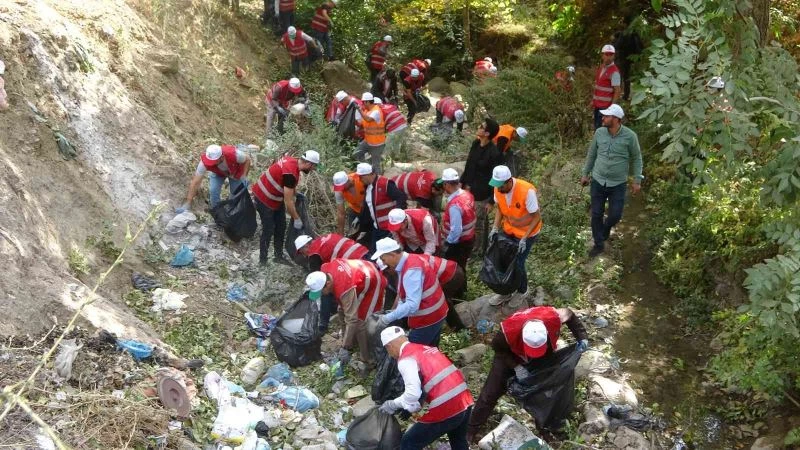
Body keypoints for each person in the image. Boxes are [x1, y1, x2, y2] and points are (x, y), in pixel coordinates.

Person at [466, 306, 588, 441]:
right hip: (509, 356)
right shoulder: (507, 332)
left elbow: (569, 314)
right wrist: (516, 367)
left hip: (543, 357)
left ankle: (544, 427)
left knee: (543, 391)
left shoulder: (552, 318)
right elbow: (498, 349)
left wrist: (582, 337)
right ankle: (471, 429)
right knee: (490, 392)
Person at [378, 326, 473, 450]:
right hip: (465, 399)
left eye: (387, 350)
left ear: (389, 346)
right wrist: (411, 406)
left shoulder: (406, 359)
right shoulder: (424, 348)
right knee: (458, 441)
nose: (390, 355)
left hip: (447, 406)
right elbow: (429, 381)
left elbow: (412, 394)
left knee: (409, 442)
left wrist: (392, 404)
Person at [580, 104, 642, 257]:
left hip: (618, 184)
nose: (603, 118)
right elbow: (592, 154)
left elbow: (636, 158)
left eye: (606, 116)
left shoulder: (630, 136)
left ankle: (606, 228)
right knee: (596, 214)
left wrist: (637, 180)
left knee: (615, 215)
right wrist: (585, 173)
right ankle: (598, 244)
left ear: (616, 119)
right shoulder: (599, 133)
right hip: (598, 180)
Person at [306, 261, 386, 365]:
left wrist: (344, 348)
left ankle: (367, 358)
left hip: (373, 281)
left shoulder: (344, 288)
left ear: (328, 284)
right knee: (341, 310)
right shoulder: (324, 268)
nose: (320, 294)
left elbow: (352, 319)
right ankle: (349, 341)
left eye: (321, 291)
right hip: (358, 278)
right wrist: (346, 341)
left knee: (360, 322)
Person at [372, 238, 448, 346]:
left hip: (428, 318)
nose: (384, 263)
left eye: (383, 259)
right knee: (430, 351)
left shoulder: (411, 270)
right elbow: (405, 295)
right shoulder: (409, 261)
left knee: (412, 352)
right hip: (435, 313)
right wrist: (394, 312)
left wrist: (386, 318)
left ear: (392, 255)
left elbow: (412, 305)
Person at [252, 150, 320, 265]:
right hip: (264, 198)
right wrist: (296, 218)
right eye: (314, 167)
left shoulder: (292, 161)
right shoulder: (291, 174)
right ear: (309, 164)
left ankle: (278, 256)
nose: (313, 169)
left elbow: (288, 187)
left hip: (274, 198)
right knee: (268, 229)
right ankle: (262, 260)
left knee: (281, 226)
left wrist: (295, 193)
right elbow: (288, 202)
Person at [489, 165, 541, 295]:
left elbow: (536, 217)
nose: (499, 189)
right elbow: (500, 209)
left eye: (501, 186)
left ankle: (522, 291)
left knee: (518, 262)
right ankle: (507, 290)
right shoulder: (498, 189)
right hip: (509, 229)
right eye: (497, 186)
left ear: (509, 181)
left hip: (526, 233)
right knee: (505, 259)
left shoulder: (526, 191)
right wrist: (495, 227)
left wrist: (524, 238)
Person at [461, 117, 502, 256]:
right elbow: (469, 164)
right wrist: (462, 183)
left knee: (479, 224)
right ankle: (470, 245)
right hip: (468, 190)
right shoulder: (475, 144)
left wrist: (492, 200)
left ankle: (479, 251)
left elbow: (495, 178)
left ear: (487, 133)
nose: (478, 127)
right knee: (466, 219)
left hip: (482, 194)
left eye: (481, 126)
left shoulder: (495, 153)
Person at [177, 144, 252, 212]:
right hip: (218, 173)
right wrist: (188, 202)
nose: (210, 163)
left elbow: (247, 160)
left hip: (235, 171)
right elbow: (195, 182)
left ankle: (231, 209)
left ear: (221, 157)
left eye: (213, 162)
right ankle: (217, 212)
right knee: (213, 191)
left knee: (236, 193)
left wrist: (244, 176)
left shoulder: (235, 154)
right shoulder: (204, 162)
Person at [357, 163, 408, 252]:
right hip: (377, 227)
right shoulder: (368, 187)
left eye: (361, 177)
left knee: (388, 253)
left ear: (370, 174)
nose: (360, 179)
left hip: (389, 228)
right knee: (374, 253)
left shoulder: (385, 183)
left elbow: (401, 197)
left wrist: (396, 217)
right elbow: (369, 207)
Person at [439, 168, 476, 270]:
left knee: (455, 270)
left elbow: (456, 230)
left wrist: (447, 244)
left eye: (443, 184)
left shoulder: (455, 205)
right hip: (469, 238)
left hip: (458, 244)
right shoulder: (467, 194)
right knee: (461, 266)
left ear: (447, 185)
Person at [425, 254, 467, 330]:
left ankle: (458, 327)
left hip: (451, 274)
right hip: (452, 269)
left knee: (443, 301)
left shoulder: (409, 267)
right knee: (442, 301)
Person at [294, 233, 369, 271]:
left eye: (301, 252)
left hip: (357, 262)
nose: (304, 255)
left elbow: (318, 276)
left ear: (306, 246)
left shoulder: (314, 253)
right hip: (363, 251)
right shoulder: (325, 237)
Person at [612, 16, 643, 102]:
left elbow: (617, 46)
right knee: (626, 77)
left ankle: (616, 95)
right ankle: (626, 95)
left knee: (618, 76)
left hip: (622, 58)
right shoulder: (634, 32)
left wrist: (614, 40)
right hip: (630, 58)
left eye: (622, 21)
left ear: (625, 23)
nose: (620, 23)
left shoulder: (624, 34)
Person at [354, 92, 387, 173]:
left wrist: (359, 109)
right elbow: (362, 123)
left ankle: (378, 181)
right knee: (356, 154)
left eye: (363, 102)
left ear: (367, 102)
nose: (362, 104)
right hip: (368, 141)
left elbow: (368, 119)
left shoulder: (376, 111)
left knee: (376, 165)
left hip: (377, 144)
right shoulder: (366, 111)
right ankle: (368, 170)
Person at [592, 44, 621, 129]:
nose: (608, 57)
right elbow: (598, 86)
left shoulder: (614, 72)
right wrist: (593, 101)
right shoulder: (601, 68)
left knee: (601, 129)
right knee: (597, 127)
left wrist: (611, 108)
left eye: (610, 55)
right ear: (602, 55)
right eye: (606, 54)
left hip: (606, 107)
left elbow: (617, 90)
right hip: (597, 105)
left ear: (614, 56)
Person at [332, 170, 366, 235]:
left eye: (342, 187)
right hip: (355, 210)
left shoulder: (361, 178)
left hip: (369, 208)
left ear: (347, 181)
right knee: (353, 234)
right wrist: (340, 234)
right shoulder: (339, 191)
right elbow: (341, 213)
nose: (341, 189)